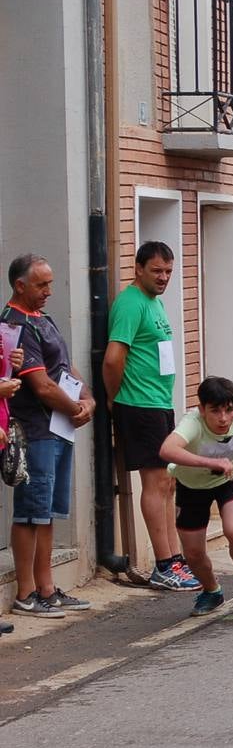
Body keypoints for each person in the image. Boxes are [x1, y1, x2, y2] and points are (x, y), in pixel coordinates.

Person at [103, 241, 201, 592]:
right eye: (157, 271)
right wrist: (115, 399)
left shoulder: (153, 302)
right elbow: (114, 358)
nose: (163, 278)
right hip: (139, 404)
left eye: (168, 272)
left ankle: (175, 558)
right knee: (156, 483)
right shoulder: (130, 304)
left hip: (158, 402)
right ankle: (164, 565)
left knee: (168, 481)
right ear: (138, 269)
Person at [4, 254, 92, 619]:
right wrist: (77, 410)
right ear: (20, 286)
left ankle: (47, 588)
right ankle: (26, 593)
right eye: (41, 285)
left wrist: (87, 398)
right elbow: (41, 385)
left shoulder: (42, 319)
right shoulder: (14, 325)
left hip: (57, 427)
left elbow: (63, 367)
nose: (48, 292)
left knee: (46, 512)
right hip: (35, 430)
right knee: (30, 512)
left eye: (50, 284)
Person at [158, 377, 233, 616]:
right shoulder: (192, 423)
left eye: (229, 410)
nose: (223, 418)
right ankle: (212, 591)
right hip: (192, 485)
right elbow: (167, 450)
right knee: (194, 552)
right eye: (215, 411)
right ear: (201, 409)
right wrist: (210, 462)